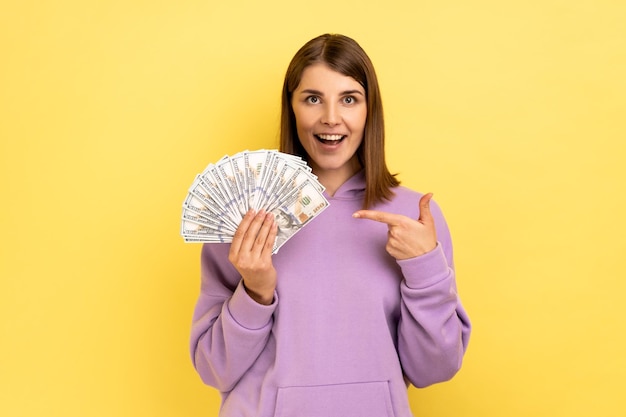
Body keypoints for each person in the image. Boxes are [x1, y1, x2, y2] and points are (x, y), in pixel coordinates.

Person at [189, 33, 471, 417]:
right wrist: (255, 293)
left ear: (370, 110)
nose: (331, 118)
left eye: (349, 99)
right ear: (292, 108)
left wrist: (424, 271)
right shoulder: (245, 216)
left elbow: (435, 369)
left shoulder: (413, 218)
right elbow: (214, 369)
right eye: (312, 99)